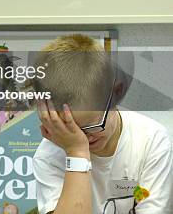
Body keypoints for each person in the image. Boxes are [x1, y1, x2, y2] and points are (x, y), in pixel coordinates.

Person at [32, 34, 173, 214]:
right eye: (69, 130)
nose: (83, 137)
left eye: (91, 126)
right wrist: (76, 152)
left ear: (116, 93)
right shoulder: (49, 156)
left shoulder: (151, 140)